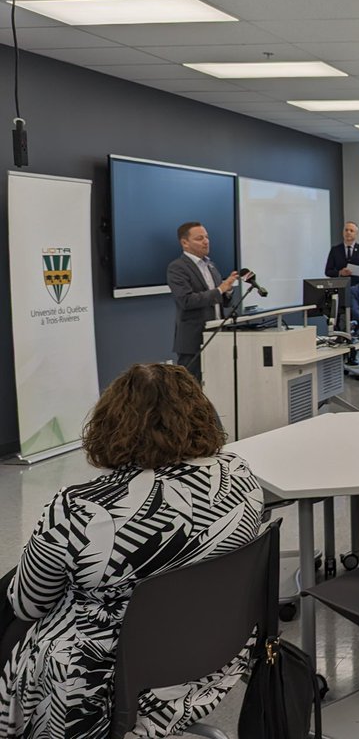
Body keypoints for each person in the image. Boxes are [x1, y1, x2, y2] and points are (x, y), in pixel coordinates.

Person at [0, 363, 263, 739]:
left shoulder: (81, 507)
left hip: (102, 676)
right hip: (217, 651)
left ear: (110, 424)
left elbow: (28, 605)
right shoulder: (238, 476)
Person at [166, 221, 241, 379]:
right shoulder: (177, 267)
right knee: (191, 389)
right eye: (199, 238)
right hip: (193, 340)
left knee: (217, 385)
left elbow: (222, 301)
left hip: (217, 335)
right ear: (185, 243)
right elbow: (186, 301)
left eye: (207, 237)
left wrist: (228, 290)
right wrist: (221, 289)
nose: (206, 241)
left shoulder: (211, 265)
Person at [324, 220, 359, 286]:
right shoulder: (335, 250)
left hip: (358, 287)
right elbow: (328, 271)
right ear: (343, 232)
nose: (348, 232)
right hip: (340, 286)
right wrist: (340, 273)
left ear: (356, 234)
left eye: (351, 231)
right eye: (346, 230)